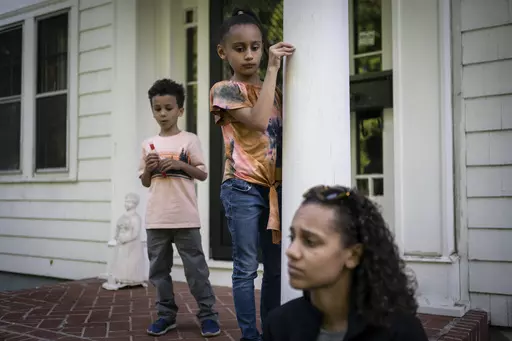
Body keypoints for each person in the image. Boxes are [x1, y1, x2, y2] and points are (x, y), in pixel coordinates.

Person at [209, 8, 295, 341]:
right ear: (223, 52)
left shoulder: (276, 91)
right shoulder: (225, 90)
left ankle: (270, 332)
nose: (249, 55)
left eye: (256, 47)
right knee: (246, 268)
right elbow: (259, 121)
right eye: (240, 48)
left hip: (275, 188)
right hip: (242, 187)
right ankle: (250, 336)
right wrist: (273, 67)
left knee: (274, 268)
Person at [263, 185, 429, 341]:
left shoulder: (400, 332)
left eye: (310, 241)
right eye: (293, 238)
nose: (291, 251)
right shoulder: (279, 326)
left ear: (353, 255)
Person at [139, 79, 220, 337]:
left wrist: (180, 166)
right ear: (152, 111)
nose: (163, 113)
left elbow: (203, 174)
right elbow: (144, 181)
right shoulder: (147, 144)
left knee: (196, 271)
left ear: (180, 110)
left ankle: (208, 315)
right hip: (157, 219)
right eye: (158, 109)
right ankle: (166, 316)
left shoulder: (190, 140)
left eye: (169, 108)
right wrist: (150, 168)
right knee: (159, 272)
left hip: (185, 218)